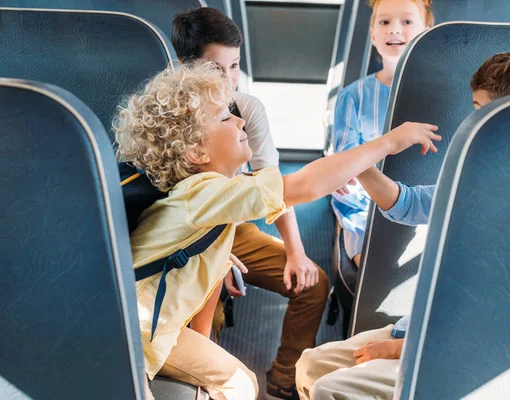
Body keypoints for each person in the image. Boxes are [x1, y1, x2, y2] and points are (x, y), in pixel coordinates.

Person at [114, 62, 440, 399]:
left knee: (242, 381)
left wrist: (205, 344)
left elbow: (206, 281)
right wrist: (388, 142)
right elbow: (305, 185)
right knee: (238, 385)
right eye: (226, 118)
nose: (240, 121)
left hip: (155, 327)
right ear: (196, 152)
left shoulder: (213, 195)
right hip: (135, 332)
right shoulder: (203, 194)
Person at [295, 46, 510, 400]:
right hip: (423, 331)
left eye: (480, 114)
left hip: (457, 352)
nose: (470, 124)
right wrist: (362, 163)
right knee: (311, 365)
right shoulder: (482, 173)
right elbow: (409, 204)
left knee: (330, 389)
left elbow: (499, 317)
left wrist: (402, 350)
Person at [171, 8, 328, 398]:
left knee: (312, 284)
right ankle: (203, 386)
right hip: (184, 236)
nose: (227, 81)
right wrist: (215, 259)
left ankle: (283, 378)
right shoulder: (169, 116)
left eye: (235, 66)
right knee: (206, 308)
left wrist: (296, 252)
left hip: (233, 227)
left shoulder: (247, 110)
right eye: (214, 68)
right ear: (184, 67)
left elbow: (273, 186)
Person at [331, 0, 434, 268]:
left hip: (430, 207)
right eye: (385, 22)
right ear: (373, 34)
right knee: (378, 268)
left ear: (427, 30)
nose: (394, 30)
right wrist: (345, 179)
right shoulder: (352, 97)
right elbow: (345, 168)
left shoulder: (441, 95)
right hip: (367, 209)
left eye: (407, 22)